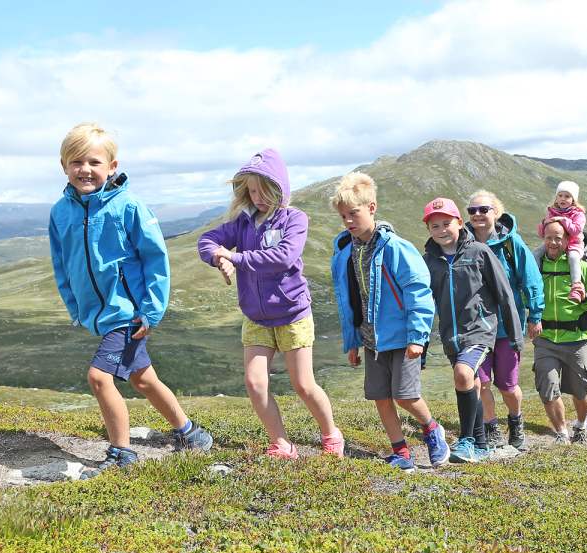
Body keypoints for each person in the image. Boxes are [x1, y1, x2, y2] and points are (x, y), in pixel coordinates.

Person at [48, 123, 213, 478]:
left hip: (130, 312)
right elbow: (61, 261)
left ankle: (122, 452)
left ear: (112, 165)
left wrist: (151, 311)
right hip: (100, 312)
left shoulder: (128, 206)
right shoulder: (61, 211)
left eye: (94, 161)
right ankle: (191, 434)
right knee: (142, 379)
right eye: (76, 161)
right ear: (64, 166)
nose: (85, 169)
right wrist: (75, 307)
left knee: (99, 378)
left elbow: (155, 258)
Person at [197, 149, 344, 459]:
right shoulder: (242, 222)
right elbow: (207, 239)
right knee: (254, 382)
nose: (258, 197)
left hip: (292, 314)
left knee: (303, 385)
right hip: (256, 317)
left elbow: (283, 257)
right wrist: (216, 257)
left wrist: (234, 257)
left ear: (280, 188)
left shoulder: (295, 218)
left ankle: (331, 433)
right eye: (251, 191)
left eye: (264, 191)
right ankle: (281, 443)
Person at [329, 172, 450, 470]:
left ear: (371, 208)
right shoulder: (347, 251)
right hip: (371, 340)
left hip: (403, 337)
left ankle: (432, 429)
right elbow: (351, 300)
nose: (348, 221)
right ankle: (401, 452)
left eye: (353, 213)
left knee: (406, 395)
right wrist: (353, 341)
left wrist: (417, 337)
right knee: (381, 397)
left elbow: (418, 291)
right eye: (343, 216)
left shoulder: (395, 246)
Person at [422, 197, 521, 463]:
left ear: (458, 222)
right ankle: (480, 444)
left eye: (446, 223)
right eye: (435, 226)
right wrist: (421, 343)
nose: (442, 230)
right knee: (473, 383)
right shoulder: (429, 261)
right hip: (451, 336)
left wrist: (515, 336)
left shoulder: (479, 252)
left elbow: (504, 294)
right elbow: (424, 304)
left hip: (479, 330)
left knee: (463, 374)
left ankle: (465, 440)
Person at [464, 190, 544, 450]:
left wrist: (536, 315)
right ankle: (491, 428)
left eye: (483, 209)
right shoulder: (463, 243)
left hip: (507, 326)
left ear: (496, 213)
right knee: (482, 382)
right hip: (477, 327)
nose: (477, 215)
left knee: (508, 386)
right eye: (472, 211)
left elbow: (531, 280)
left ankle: (516, 421)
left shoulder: (512, 244)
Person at [534, 220, 587, 444]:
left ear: (568, 240)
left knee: (581, 389)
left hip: (576, 339)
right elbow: (526, 295)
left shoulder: (582, 268)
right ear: (543, 238)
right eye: (549, 237)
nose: (553, 242)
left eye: (558, 238)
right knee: (547, 386)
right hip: (545, 339)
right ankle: (561, 433)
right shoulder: (537, 266)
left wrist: (585, 298)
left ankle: (582, 425)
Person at [535, 181, 587, 303]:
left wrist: (563, 220)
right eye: (560, 195)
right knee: (536, 254)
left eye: (567, 196)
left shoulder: (578, 214)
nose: (562, 199)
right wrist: (544, 223)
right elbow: (542, 233)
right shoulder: (552, 212)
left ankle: (576, 287)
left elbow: (576, 230)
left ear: (573, 199)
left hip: (574, 243)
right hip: (554, 242)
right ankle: (536, 281)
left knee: (574, 258)